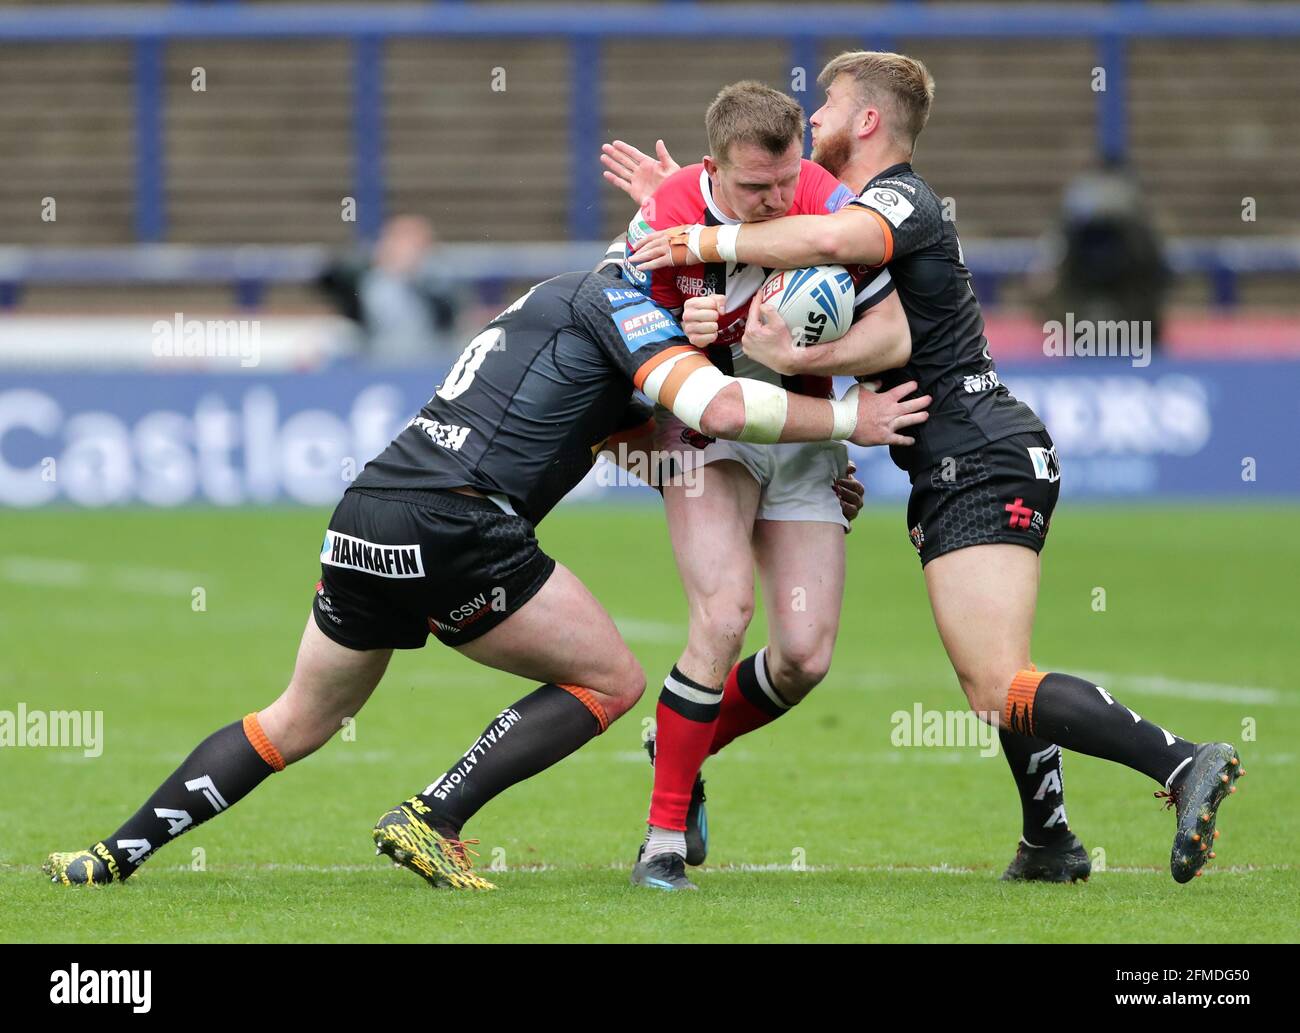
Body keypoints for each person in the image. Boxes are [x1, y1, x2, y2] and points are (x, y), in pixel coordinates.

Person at [43, 262, 929, 891]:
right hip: (459, 519)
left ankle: (112, 854)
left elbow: (651, 451)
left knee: (297, 718)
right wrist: (848, 415)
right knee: (613, 679)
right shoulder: (620, 307)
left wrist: (789, 472)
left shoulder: (552, 306)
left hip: (369, 511)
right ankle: (434, 814)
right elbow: (716, 407)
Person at [628, 51, 1242, 885]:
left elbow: (841, 249)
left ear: (869, 120)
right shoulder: (859, 202)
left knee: (995, 682)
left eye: (830, 106)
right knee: (1006, 670)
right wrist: (696, 208)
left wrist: (708, 231)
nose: (816, 120)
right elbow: (823, 263)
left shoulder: (897, 199)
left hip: (973, 454)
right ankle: (1050, 840)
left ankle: (1180, 762)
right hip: (981, 448)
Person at [603, 81, 912, 892]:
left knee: (805, 657)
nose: (778, 202)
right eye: (754, 189)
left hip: (805, 439)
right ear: (712, 170)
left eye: (785, 182)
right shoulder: (661, 216)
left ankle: (682, 734)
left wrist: (805, 368)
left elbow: (893, 332)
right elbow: (613, 342)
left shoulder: (827, 200)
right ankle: (661, 841)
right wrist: (686, 342)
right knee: (725, 611)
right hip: (706, 437)